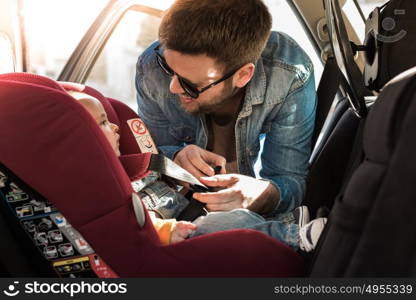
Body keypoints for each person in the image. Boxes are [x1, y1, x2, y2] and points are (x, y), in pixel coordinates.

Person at [67, 90, 326, 252]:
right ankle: (293, 237)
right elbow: (131, 225)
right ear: (82, 142)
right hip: (178, 236)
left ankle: (286, 224)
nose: (115, 127)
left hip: (189, 214)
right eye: (102, 123)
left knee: (231, 217)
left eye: (110, 120)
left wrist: (182, 171)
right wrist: (169, 232)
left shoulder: (133, 162)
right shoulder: (100, 187)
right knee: (225, 224)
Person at [135, 0, 317, 217]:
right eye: (168, 68)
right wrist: (174, 157)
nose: (173, 87)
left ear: (242, 75)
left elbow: (290, 182)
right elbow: (146, 157)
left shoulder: (289, 75)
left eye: (191, 85)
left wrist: (259, 195)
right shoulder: (151, 67)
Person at [67, 90, 196, 245]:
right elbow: (127, 218)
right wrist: (161, 229)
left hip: (187, 208)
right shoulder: (96, 184)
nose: (115, 126)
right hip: (167, 229)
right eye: (103, 122)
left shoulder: (137, 163)